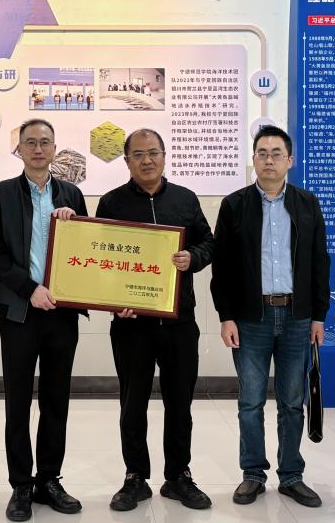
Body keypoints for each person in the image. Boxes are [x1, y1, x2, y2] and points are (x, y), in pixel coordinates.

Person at [210, 124, 329, 509]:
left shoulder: (307, 204)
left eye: (276, 153)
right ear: (253, 159)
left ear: (290, 160)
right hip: (250, 317)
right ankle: (253, 474)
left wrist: (318, 316)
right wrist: (226, 316)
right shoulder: (235, 205)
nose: (269, 160)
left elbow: (319, 262)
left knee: (292, 401)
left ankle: (291, 475)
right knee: (250, 401)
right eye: (262, 153)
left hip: (297, 316)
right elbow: (222, 267)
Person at [96, 128, 215, 512]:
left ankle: (178, 476)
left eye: (153, 153)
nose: (147, 160)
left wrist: (193, 258)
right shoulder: (111, 203)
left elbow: (208, 243)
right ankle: (135, 477)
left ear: (164, 156)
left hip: (179, 321)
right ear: (126, 160)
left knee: (180, 403)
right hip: (131, 324)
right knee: (132, 404)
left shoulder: (185, 198)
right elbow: (100, 261)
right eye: (138, 154)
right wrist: (114, 302)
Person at [0, 119, 88, 521]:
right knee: (18, 402)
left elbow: (88, 247)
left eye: (45, 142)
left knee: (56, 400)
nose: (38, 149)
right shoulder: (1, 194)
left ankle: (49, 480)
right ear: (20, 150)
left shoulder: (72, 193)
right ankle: (21, 485)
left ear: (55, 148)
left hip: (62, 313)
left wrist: (75, 223)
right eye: (31, 143)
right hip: (20, 313)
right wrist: (29, 289)